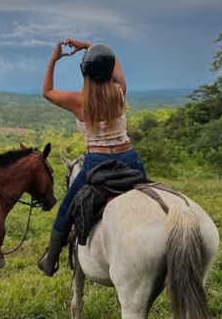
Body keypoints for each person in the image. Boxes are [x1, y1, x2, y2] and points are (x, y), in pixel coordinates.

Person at [38, 39, 146, 277]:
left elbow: (46, 91)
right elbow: (112, 58)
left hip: (95, 164)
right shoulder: (120, 92)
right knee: (152, 193)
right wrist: (90, 45)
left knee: (65, 210)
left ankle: (50, 261)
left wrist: (54, 59)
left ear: (84, 72)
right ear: (108, 71)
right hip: (129, 159)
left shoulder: (79, 101)